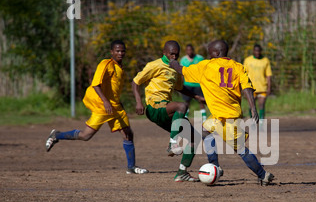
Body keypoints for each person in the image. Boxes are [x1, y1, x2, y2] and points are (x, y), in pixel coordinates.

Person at [170, 40, 275, 186]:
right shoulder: (238, 67)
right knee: (203, 132)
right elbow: (247, 88)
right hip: (223, 116)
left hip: (227, 119)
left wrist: (172, 61)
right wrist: (253, 108)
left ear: (217, 53)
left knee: (241, 150)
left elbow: (181, 70)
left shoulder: (206, 66)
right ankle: (216, 166)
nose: (209, 55)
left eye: (210, 52)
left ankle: (263, 175)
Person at [45, 40, 148, 175]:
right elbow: (95, 84)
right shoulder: (105, 64)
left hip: (115, 106)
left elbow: (114, 89)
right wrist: (105, 101)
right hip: (103, 106)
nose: (120, 53)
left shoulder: (120, 67)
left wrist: (118, 102)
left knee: (128, 134)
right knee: (86, 135)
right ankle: (56, 135)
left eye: (122, 51)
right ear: (111, 52)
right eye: (117, 51)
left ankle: (131, 167)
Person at [132, 40, 204, 182]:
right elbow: (135, 82)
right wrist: (139, 102)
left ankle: (182, 173)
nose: (174, 57)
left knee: (194, 138)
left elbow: (180, 88)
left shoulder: (175, 69)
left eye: (176, 55)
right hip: (154, 107)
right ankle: (172, 143)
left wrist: (197, 97)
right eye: (171, 54)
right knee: (182, 106)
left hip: (167, 110)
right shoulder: (154, 65)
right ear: (164, 52)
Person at [243, 44, 272, 123]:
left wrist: (269, 87)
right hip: (251, 88)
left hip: (262, 87)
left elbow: (268, 75)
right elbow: (244, 74)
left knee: (261, 105)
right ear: (253, 51)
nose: (257, 53)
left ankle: (262, 123)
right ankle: (253, 121)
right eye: (256, 51)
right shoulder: (248, 60)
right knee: (251, 106)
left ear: (261, 51)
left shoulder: (265, 60)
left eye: (259, 51)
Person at [180, 44, 207, 122]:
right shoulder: (183, 60)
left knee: (201, 101)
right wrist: (181, 84)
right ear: (186, 51)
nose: (189, 52)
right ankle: (185, 117)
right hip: (187, 84)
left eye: (190, 50)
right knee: (187, 102)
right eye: (187, 50)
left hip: (198, 84)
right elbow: (181, 72)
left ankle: (204, 118)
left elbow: (204, 71)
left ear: (193, 50)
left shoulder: (200, 58)